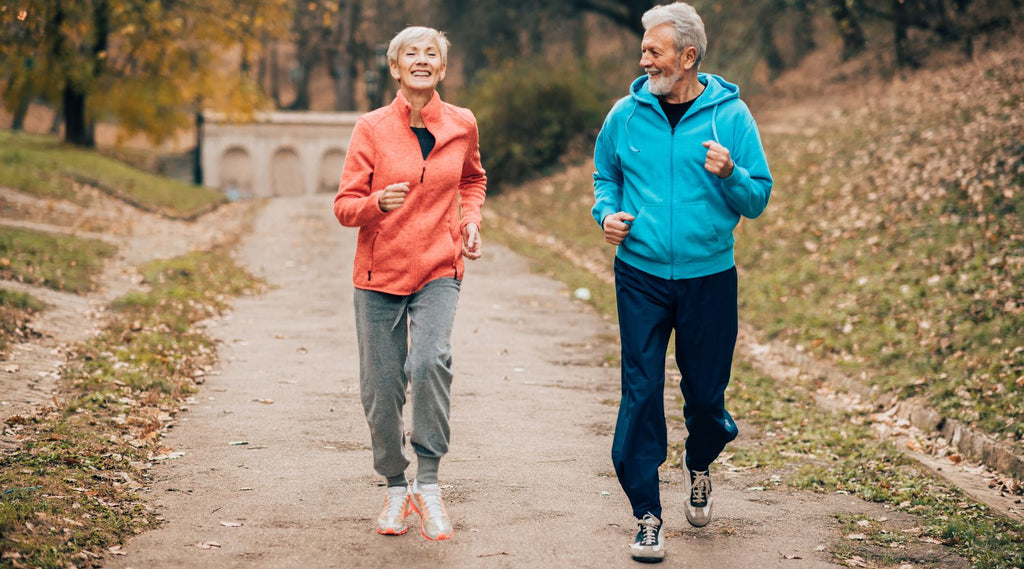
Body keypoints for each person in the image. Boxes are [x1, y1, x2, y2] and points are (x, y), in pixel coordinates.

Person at [591, 2, 772, 563]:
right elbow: (607, 175)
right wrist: (607, 214)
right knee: (640, 392)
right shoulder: (625, 113)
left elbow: (758, 198)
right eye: (644, 47)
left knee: (706, 396)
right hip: (640, 274)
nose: (643, 58)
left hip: (709, 278)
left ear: (687, 57)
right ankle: (647, 515)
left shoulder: (732, 118)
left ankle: (701, 461)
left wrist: (731, 174)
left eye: (654, 49)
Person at [333, 25, 486, 542]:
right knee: (381, 388)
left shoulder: (462, 123)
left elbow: (472, 179)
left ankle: (429, 483)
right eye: (410, 54)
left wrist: (470, 221)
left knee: (429, 361)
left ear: (441, 69)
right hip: (379, 274)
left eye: (431, 54)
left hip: (439, 268)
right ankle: (396, 487)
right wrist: (377, 203)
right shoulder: (371, 128)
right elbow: (344, 206)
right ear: (395, 68)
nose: (421, 60)